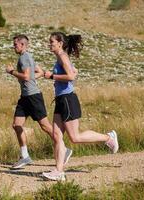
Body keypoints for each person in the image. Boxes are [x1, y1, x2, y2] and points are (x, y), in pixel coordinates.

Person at [42, 32, 119, 181]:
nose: (49, 44)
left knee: (75, 137)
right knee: (57, 136)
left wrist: (51, 76)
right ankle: (59, 172)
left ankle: (108, 138)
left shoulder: (63, 56)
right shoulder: (61, 57)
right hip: (60, 100)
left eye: (51, 41)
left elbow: (70, 76)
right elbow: (73, 72)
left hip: (67, 100)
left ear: (60, 43)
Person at [5, 34, 73, 170]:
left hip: (33, 97)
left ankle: (64, 149)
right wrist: (32, 79)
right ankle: (25, 156)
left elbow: (25, 76)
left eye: (15, 45)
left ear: (22, 45)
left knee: (45, 126)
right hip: (25, 97)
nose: (14, 47)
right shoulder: (27, 57)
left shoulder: (25, 58)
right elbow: (40, 72)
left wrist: (12, 71)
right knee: (16, 125)